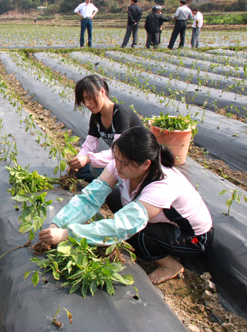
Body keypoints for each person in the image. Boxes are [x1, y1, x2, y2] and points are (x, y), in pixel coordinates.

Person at [40, 127, 213, 285]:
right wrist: (60, 223)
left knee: (135, 231)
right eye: (117, 158)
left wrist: (67, 235)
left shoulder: (162, 185)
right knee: (115, 198)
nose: (118, 165)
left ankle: (171, 265)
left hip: (193, 237)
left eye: (125, 163)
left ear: (146, 164)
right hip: (163, 222)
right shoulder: (119, 164)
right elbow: (91, 197)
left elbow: (124, 225)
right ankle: (157, 243)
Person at [69, 75, 143, 182]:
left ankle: (120, 187)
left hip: (134, 162)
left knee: (95, 167)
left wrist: (89, 158)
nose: (87, 104)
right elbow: (89, 145)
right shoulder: (96, 116)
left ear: (102, 91)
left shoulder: (120, 114)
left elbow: (119, 153)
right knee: (82, 170)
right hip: (119, 162)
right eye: (84, 101)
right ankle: (107, 181)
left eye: (89, 99)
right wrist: (78, 160)